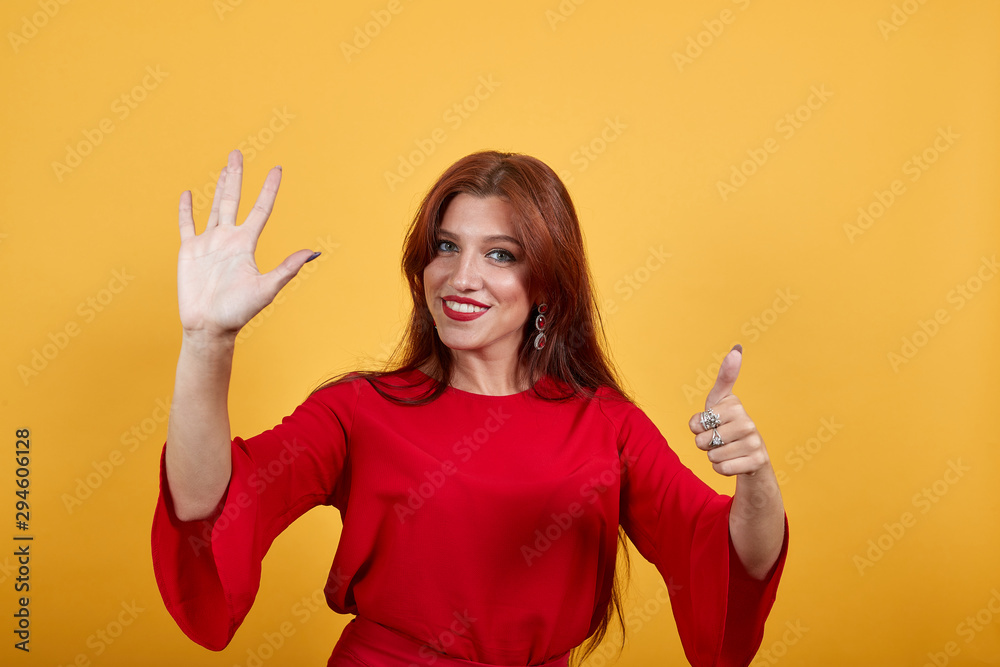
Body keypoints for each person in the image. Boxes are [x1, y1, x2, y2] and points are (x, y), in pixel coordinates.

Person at [151, 149, 789, 667]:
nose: (462, 276)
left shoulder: (605, 423)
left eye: (500, 255)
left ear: (544, 282)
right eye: (447, 247)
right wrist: (208, 342)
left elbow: (725, 556)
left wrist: (755, 478)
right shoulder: (359, 410)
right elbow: (210, 506)